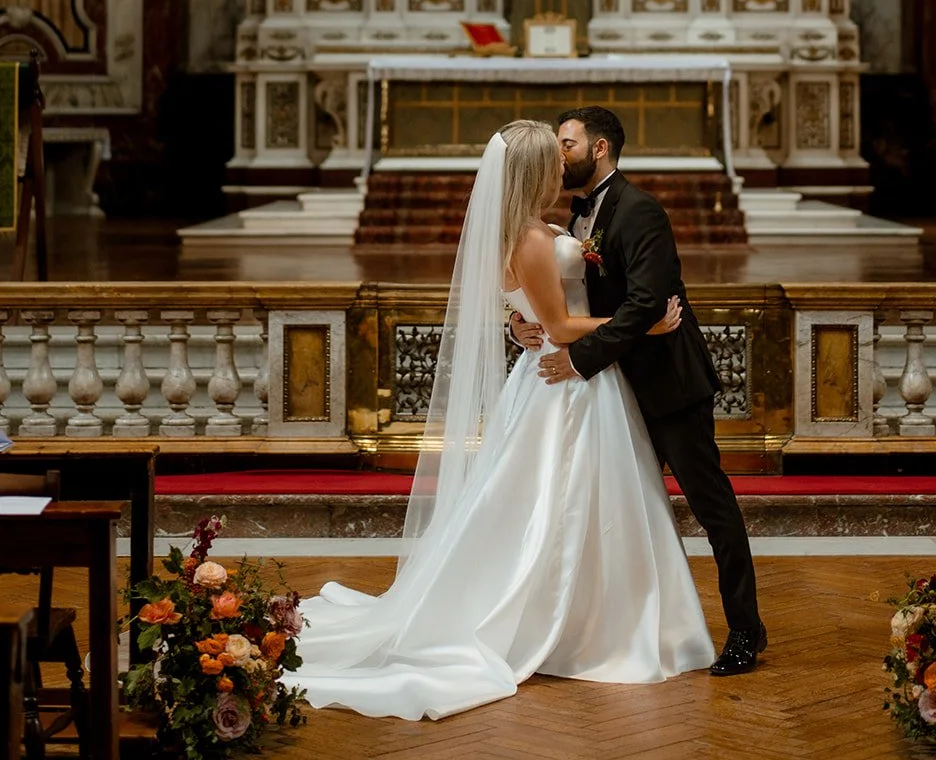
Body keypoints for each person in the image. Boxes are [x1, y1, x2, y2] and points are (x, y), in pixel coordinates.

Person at [285, 119, 714, 721]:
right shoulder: (534, 240)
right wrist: (644, 323)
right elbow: (562, 328)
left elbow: (536, 313)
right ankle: (586, 628)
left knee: (567, 503)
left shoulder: (528, 231)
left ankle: (587, 617)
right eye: (553, 160)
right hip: (565, 384)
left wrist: (523, 325)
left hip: (556, 377)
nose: (562, 169)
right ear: (534, 171)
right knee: (567, 502)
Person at [511, 106, 766, 676]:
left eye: (567, 145)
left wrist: (577, 358)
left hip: (665, 381)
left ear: (599, 148)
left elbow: (648, 304)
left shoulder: (640, 209)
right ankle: (614, 627)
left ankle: (747, 630)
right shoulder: (570, 216)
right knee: (614, 509)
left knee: (711, 505)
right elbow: (555, 292)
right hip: (611, 388)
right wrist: (521, 323)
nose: (559, 155)